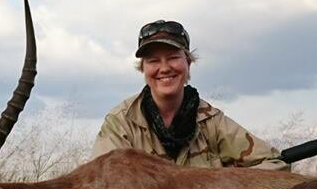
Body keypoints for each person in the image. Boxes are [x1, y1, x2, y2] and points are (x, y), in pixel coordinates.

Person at [92, 20, 289, 171]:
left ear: (188, 63)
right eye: (153, 61)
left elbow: (275, 164)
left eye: (173, 58)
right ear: (142, 68)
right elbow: (102, 184)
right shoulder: (121, 124)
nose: (164, 68)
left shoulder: (211, 121)